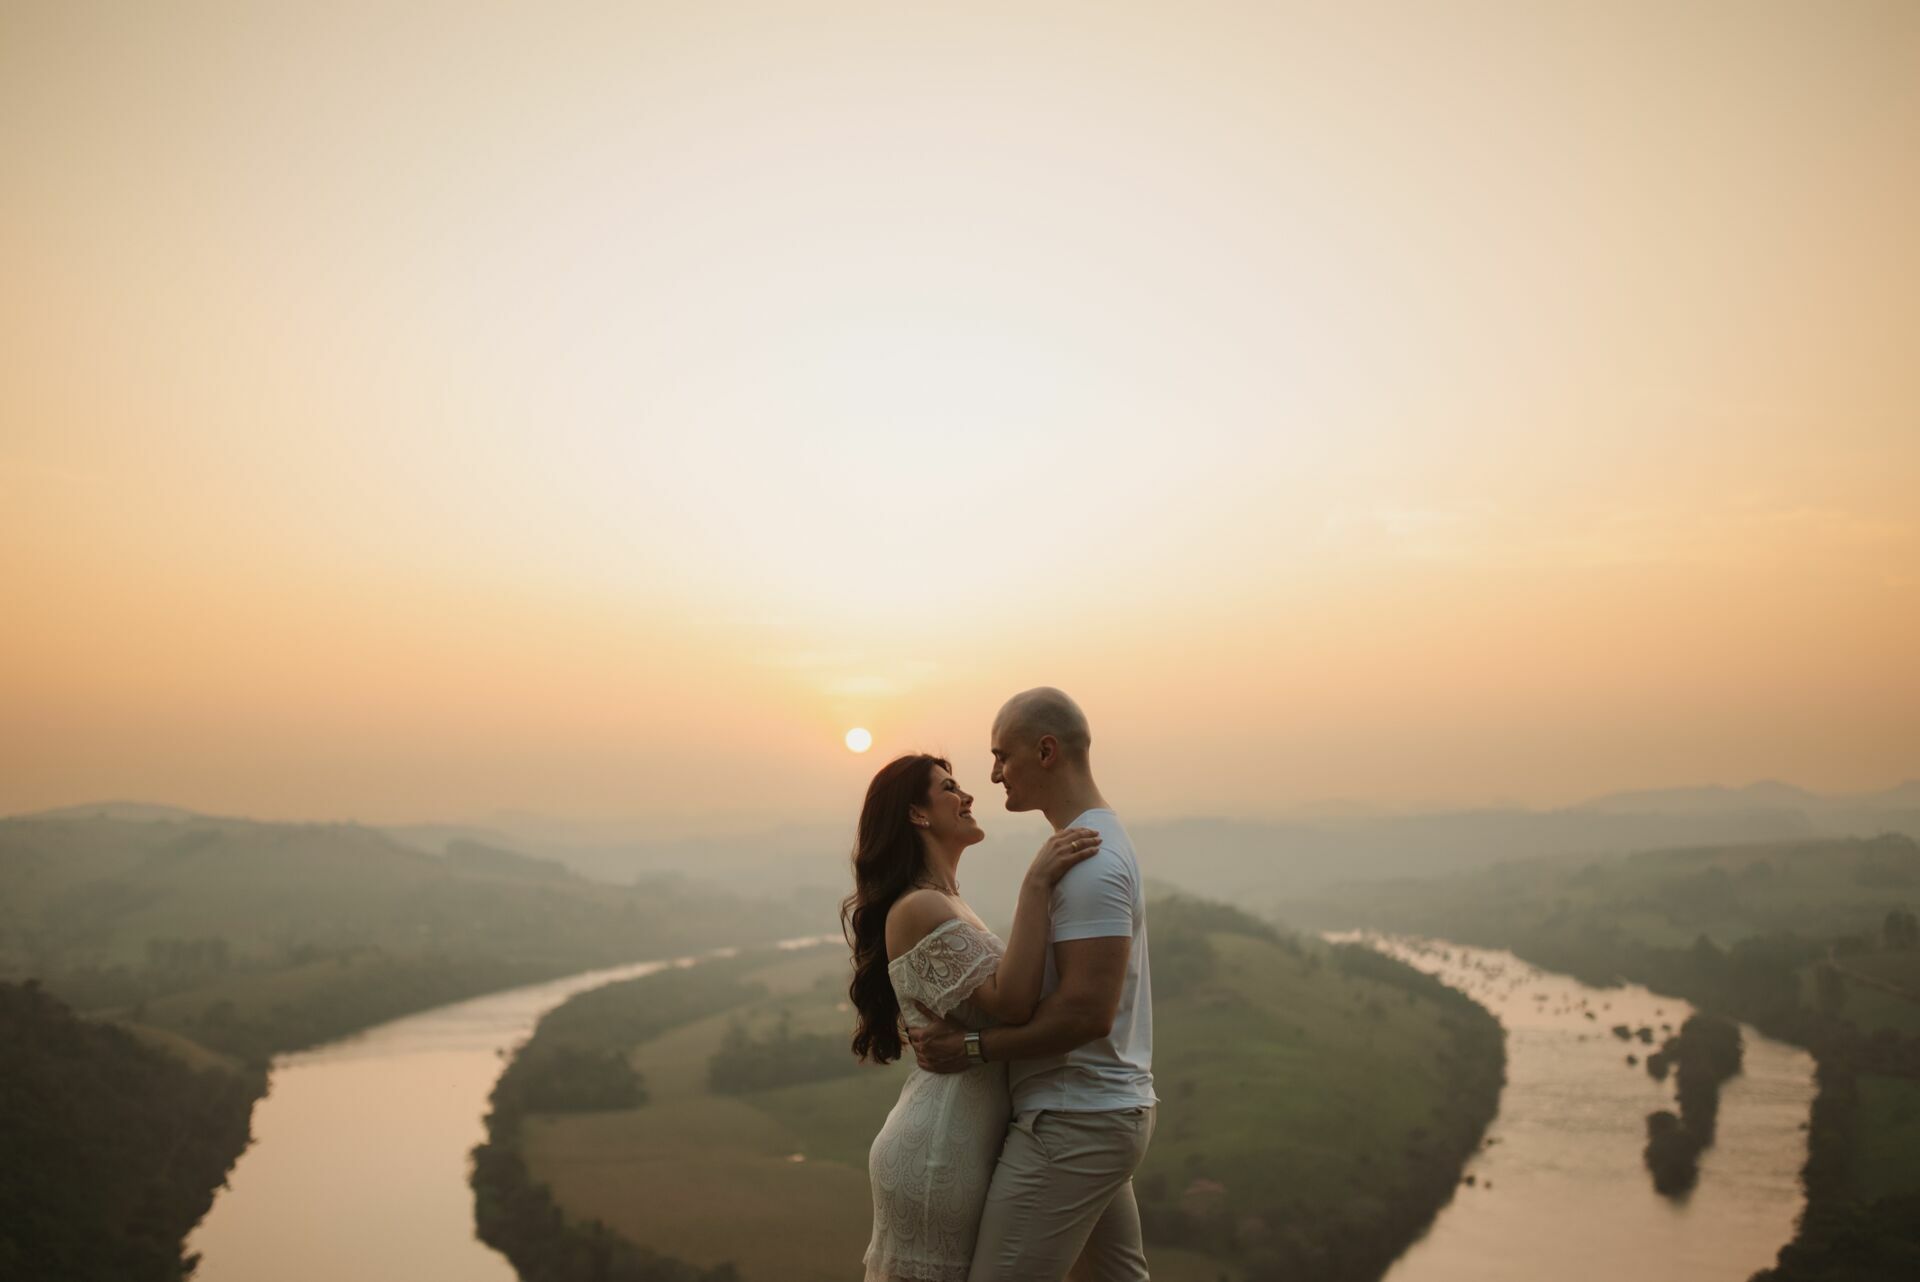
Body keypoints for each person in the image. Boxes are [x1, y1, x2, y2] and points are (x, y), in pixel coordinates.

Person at [910, 688, 1156, 1282]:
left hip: (1073, 1122)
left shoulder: (1090, 860)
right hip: (1096, 1113)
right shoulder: (1085, 846)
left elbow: (1086, 1015)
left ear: (1046, 751)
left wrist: (970, 1048)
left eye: (1002, 756)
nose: (992, 775)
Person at [844, 751, 1104, 1282]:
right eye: (948, 788)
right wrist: (1036, 885)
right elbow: (1011, 1004)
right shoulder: (921, 907)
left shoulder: (946, 902)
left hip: (963, 1142)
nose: (966, 796)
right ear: (918, 814)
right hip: (941, 1151)